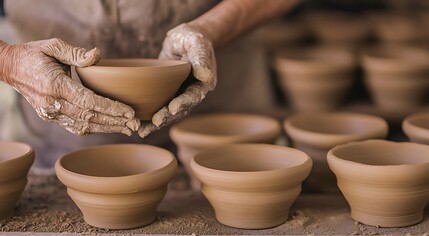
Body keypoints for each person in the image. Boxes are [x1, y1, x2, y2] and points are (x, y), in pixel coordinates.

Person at [0, 0, 299, 170]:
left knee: (239, 182)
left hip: (219, 112)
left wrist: (209, 29)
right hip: (64, 125)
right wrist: (9, 60)